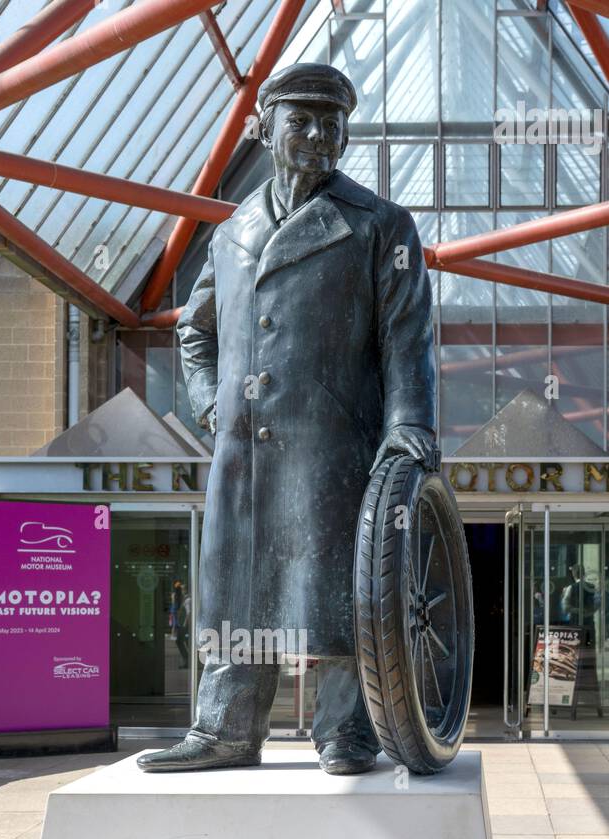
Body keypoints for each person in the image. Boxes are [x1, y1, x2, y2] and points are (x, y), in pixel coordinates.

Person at [138, 63, 437, 775]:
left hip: (335, 441)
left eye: (331, 123)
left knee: (341, 585)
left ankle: (348, 730)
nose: (317, 135)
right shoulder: (233, 230)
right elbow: (194, 329)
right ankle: (226, 728)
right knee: (237, 589)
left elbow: (408, 337)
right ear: (264, 127)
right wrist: (211, 404)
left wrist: (409, 426)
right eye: (299, 120)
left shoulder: (379, 225)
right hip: (243, 452)